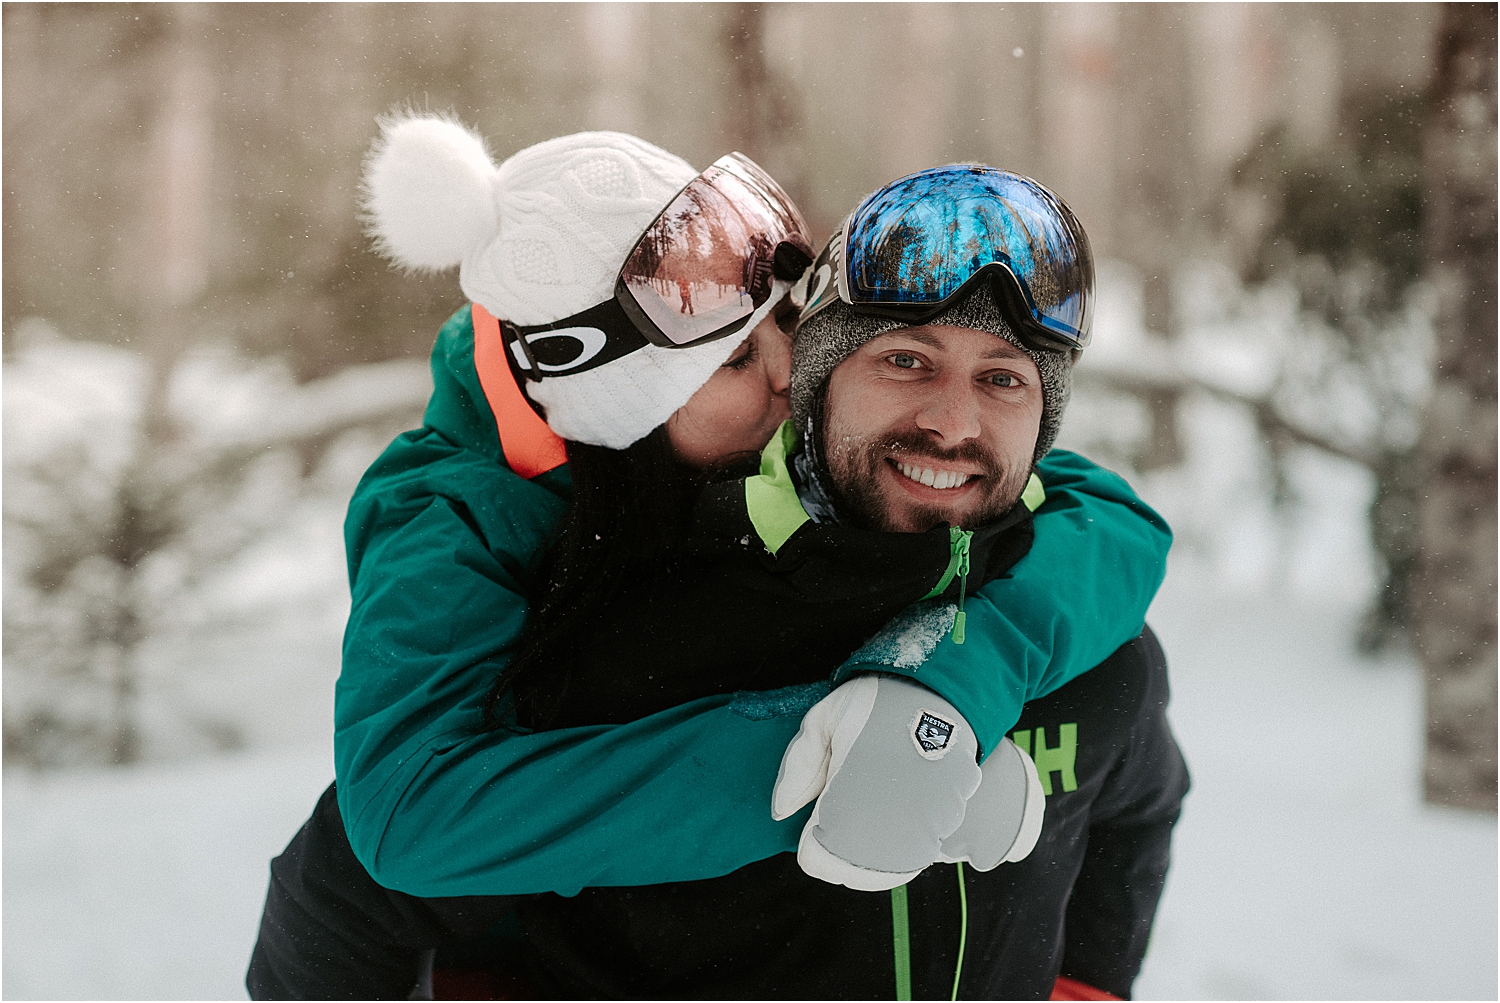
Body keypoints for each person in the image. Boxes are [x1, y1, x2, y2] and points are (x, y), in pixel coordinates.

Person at [248, 121, 1176, 998]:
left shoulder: (1084, 627)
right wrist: (814, 761)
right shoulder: (613, 614)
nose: (954, 422)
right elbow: (386, 842)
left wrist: (957, 683)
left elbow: (1137, 778)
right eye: (903, 360)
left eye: (1005, 380)